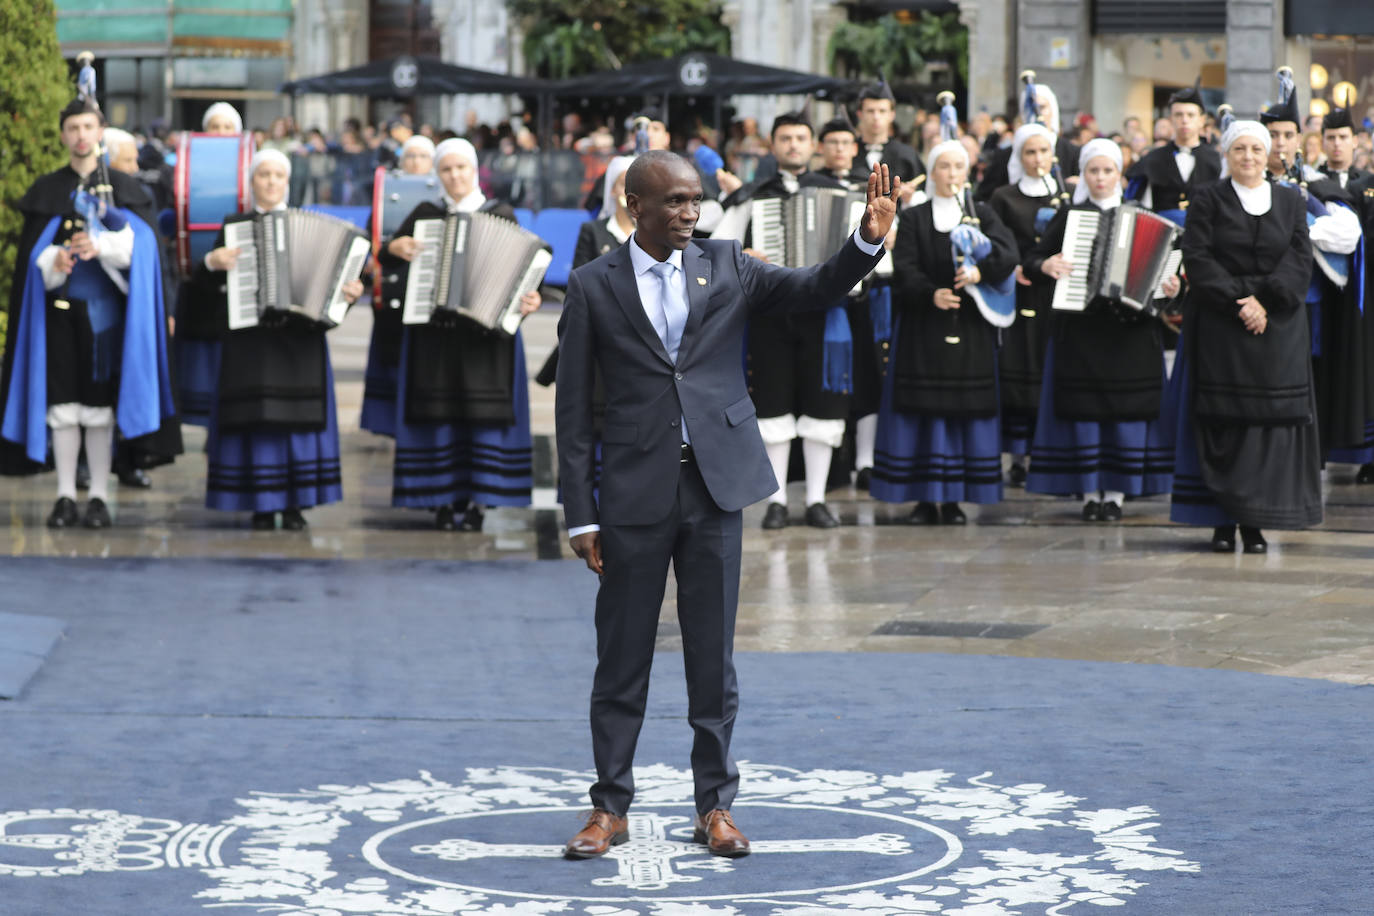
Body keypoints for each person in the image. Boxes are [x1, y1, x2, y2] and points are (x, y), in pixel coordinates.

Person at [555, 149, 896, 860]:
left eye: (696, 201)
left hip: (714, 488)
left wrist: (867, 239)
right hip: (630, 494)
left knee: (713, 660)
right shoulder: (592, 285)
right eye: (675, 201)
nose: (690, 213)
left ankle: (716, 806)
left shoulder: (728, 263)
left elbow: (814, 286)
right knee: (621, 659)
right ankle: (608, 807)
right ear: (634, 203)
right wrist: (580, 514)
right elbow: (573, 412)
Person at [0, 84, 176, 526]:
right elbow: (31, 264)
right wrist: (53, 260)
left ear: (100, 131)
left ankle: (98, 495)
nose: (80, 135)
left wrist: (105, 248)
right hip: (58, 319)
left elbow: (147, 256)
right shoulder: (47, 191)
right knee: (61, 408)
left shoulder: (126, 189)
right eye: (72, 128)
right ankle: (63, 495)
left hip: (109, 321)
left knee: (99, 409)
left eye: (87, 126)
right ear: (62, 136)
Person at [1167, 119, 1319, 552]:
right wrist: (1241, 301)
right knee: (1224, 422)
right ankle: (1221, 522)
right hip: (1221, 324)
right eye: (1239, 149)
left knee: (1264, 427)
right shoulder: (1207, 198)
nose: (1248, 157)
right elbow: (1197, 256)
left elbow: (1299, 256)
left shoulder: (1290, 201)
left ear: (1268, 153)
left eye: (1256, 149)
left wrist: (1265, 302)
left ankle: (1255, 523)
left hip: (1277, 327)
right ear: (1227, 155)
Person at [379, 138, 541, 531]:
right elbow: (386, 257)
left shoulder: (500, 213)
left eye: (461, 168)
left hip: (485, 340)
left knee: (479, 417)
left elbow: (520, 269)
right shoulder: (425, 213)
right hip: (435, 336)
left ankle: (478, 503)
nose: (454, 176)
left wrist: (528, 299)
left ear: (474, 171)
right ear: (437, 175)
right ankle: (441, 499)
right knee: (439, 417)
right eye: (447, 169)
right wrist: (394, 247)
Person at [196, 150, 362, 530]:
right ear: (252, 181)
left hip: (300, 342)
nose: (271, 182)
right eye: (263, 175)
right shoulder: (234, 226)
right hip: (250, 342)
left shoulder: (312, 226)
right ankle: (260, 502)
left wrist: (347, 295)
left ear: (287, 182)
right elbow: (206, 290)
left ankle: (295, 505)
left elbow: (332, 293)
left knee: (297, 423)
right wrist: (211, 263)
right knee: (255, 422)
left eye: (278, 176)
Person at [871, 113, 1018, 524]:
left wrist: (980, 271)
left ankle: (953, 499)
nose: (951, 173)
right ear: (931, 172)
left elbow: (1008, 257)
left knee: (961, 412)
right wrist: (929, 293)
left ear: (967, 172)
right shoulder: (915, 217)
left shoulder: (982, 214)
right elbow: (906, 267)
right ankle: (923, 499)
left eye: (958, 166)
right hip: (923, 327)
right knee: (923, 413)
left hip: (970, 328)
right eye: (943, 166)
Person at [711, 113, 856, 529]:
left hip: (824, 314)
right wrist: (745, 257)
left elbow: (860, 252)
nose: (794, 145)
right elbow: (721, 246)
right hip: (770, 313)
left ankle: (815, 499)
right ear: (772, 146)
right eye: (785, 138)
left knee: (823, 404)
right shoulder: (755, 195)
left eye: (800, 138)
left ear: (813, 145)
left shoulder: (840, 193)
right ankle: (776, 501)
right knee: (771, 403)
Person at [1024, 139, 1177, 520]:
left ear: (1120, 177)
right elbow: (1033, 259)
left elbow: (1166, 271)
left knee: (1127, 413)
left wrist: (1170, 286)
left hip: (1132, 333)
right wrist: (1047, 267)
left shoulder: (1143, 214)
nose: (1101, 178)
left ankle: (1119, 496)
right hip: (1082, 330)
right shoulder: (1070, 215)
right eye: (1094, 170)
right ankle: (1091, 493)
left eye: (1108, 171)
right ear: (1084, 175)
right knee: (1085, 413)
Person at [1260, 69, 1366, 457]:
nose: (1280, 144)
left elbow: (1347, 234)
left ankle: (1303, 461)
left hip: (1306, 307)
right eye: (1272, 136)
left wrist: (1299, 231)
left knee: (1304, 385)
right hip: (1254, 303)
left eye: (1288, 135)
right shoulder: (1244, 185)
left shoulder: (1315, 187)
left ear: (1300, 140)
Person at [817, 114, 897, 490]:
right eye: (831, 143)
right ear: (822, 148)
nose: (838, 149)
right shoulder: (806, 186)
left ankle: (865, 462)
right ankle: (832, 465)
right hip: (820, 297)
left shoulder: (871, 186)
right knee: (827, 380)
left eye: (845, 143)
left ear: (855, 148)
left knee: (867, 374)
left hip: (865, 295)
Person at [990, 120, 1069, 485]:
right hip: (1020, 290)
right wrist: (1018, 265)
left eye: (1043, 151)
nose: (1038, 158)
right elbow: (998, 241)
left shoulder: (1066, 197)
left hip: (1057, 292)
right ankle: (1018, 455)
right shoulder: (1005, 197)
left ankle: (1047, 449)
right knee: (1020, 369)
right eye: (1030, 152)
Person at [359, 134, 436, 437]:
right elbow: (372, 231)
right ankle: (387, 422)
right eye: (410, 156)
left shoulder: (442, 196)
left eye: (422, 156)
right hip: (391, 288)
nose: (415, 162)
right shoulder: (386, 191)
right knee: (390, 353)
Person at [175, 102, 244, 428]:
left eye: (227, 127)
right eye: (214, 127)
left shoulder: (250, 169)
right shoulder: (189, 168)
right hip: (200, 286)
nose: (220, 133)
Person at [1124, 81, 1221, 223]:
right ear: (1171, 119)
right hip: (1162, 235)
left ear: (1201, 120)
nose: (1184, 120)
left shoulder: (1215, 158)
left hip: (1205, 232)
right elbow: (1134, 202)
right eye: (1178, 115)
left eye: (1190, 115)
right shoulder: (1153, 158)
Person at [977, 73, 1080, 202]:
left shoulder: (1073, 153)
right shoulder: (1005, 156)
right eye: (1030, 108)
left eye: (1042, 107)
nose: (1037, 113)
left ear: (1053, 109)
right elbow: (984, 198)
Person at [848, 76, 925, 204]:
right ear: (860, 114)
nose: (876, 117)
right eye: (870, 111)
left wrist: (911, 198)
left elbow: (923, 197)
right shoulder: (847, 152)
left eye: (882, 111)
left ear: (892, 115)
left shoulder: (906, 155)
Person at [1320, 108, 1367, 189]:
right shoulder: (1313, 180)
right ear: (1322, 143)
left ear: (1355, 141)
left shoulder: (1368, 181)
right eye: (1331, 138)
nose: (1337, 143)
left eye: (1343, 137)